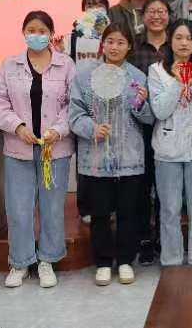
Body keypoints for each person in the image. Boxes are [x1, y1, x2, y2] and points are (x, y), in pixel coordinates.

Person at [0, 11, 76, 288]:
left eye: (42, 31)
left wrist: (58, 130)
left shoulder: (66, 65)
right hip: (19, 148)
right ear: (23, 32)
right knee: (18, 209)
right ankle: (20, 262)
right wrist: (17, 127)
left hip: (55, 149)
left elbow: (74, 104)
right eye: (31, 30)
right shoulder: (9, 65)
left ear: (51, 34)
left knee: (52, 208)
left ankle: (47, 260)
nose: (36, 35)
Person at [69, 23, 154, 286]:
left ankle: (126, 260)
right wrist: (92, 128)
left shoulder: (138, 77)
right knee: (100, 213)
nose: (114, 47)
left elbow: (150, 118)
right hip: (96, 158)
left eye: (120, 42)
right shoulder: (84, 76)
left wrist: (141, 103)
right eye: (110, 41)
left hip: (129, 157)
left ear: (129, 47)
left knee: (129, 211)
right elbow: (75, 114)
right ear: (102, 45)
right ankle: (104, 262)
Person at [148, 19, 192, 266]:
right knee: (169, 209)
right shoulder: (157, 70)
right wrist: (179, 82)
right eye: (178, 37)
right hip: (167, 150)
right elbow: (160, 110)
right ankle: (171, 259)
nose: (184, 43)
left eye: (189, 38)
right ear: (170, 40)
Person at [61, 0, 110, 225]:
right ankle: (85, 206)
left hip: (108, 98)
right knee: (84, 154)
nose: (94, 7)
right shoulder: (72, 37)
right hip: (81, 99)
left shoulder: (111, 34)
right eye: (89, 4)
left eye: (99, 3)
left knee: (108, 153)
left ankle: (109, 205)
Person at [131, 0, 172, 265]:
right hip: (140, 125)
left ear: (169, 15)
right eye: (151, 11)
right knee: (142, 185)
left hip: (170, 125)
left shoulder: (176, 45)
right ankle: (145, 239)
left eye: (162, 11)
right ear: (143, 16)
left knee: (167, 186)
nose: (157, 16)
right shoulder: (133, 46)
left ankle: (165, 239)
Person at [62, 0, 111, 65]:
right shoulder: (72, 37)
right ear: (84, 7)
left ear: (106, 6)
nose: (95, 9)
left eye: (99, 5)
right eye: (90, 5)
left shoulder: (114, 34)